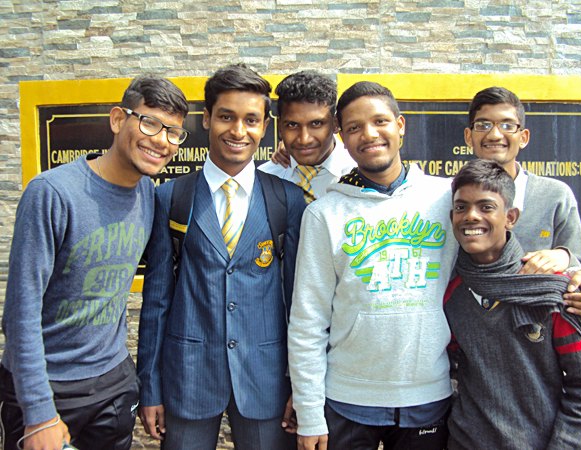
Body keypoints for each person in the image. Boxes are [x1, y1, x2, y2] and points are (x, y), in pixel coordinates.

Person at [0, 75, 189, 450]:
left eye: (173, 132)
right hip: (50, 386)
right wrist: (39, 413)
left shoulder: (147, 194)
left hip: (113, 383)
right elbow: (20, 312)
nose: (161, 140)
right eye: (150, 123)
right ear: (118, 119)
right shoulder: (52, 193)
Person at [136, 64, 306, 450]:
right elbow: (156, 301)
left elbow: (299, 303)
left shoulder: (286, 199)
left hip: (266, 379)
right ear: (207, 118)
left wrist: (302, 386)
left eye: (251, 120)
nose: (238, 131)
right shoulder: (171, 197)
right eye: (226, 117)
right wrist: (150, 387)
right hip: (187, 377)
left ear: (265, 127)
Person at [288, 81, 458, 450]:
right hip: (347, 399)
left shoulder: (448, 198)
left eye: (380, 121)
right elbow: (307, 321)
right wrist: (310, 411)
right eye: (354, 127)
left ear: (400, 125)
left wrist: (564, 258)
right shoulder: (323, 214)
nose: (369, 134)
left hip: (427, 395)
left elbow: (501, 241)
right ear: (342, 138)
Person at [443, 159, 581, 449]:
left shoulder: (552, 295)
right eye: (461, 207)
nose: (471, 216)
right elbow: (452, 368)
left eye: (486, 207)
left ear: (511, 217)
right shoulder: (453, 295)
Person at [465, 86, 581, 280]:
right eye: (483, 125)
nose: (494, 135)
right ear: (469, 136)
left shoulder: (555, 196)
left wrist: (564, 257)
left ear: (523, 138)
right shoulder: (450, 196)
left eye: (507, 125)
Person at [258, 70, 355, 201]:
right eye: (292, 125)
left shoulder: (361, 175)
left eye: (316, 124)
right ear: (280, 126)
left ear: (335, 124)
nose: (304, 139)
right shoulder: (264, 179)